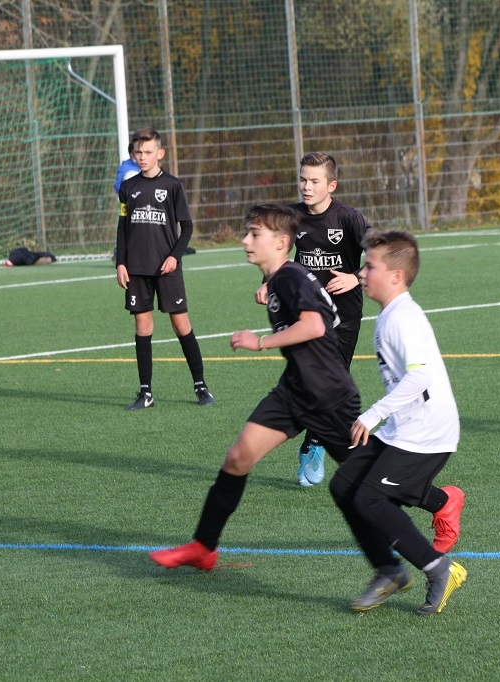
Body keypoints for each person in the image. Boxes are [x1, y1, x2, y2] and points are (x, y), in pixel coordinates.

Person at [149, 203, 361, 571]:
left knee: (370, 478)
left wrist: (259, 342)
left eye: (254, 234)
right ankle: (204, 546)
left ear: (281, 242)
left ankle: (439, 502)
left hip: (327, 395)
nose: (245, 241)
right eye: (247, 233)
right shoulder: (280, 278)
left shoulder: (291, 277)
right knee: (238, 457)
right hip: (294, 389)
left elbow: (314, 326)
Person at [330, 229, 467, 616]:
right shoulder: (391, 313)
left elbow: (420, 376)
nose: (362, 272)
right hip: (403, 429)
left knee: (369, 498)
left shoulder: (402, 318)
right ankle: (388, 570)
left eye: (370, 266)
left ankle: (439, 569)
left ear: (396, 275)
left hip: (428, 432)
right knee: (344, 485)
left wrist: (372, 414)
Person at [255, 152, 372, 487]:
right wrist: (267, 281)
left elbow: (381, 251)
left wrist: (354, 277)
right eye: (303, 179)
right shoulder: (292, 216)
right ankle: (315, 441)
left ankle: (314, 444)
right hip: (303, 315)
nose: (306, 186)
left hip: (343, 316)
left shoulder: (349, 218)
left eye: (314, 181)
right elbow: (275, 252)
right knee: (310, 381)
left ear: (331, 185)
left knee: (329, 384)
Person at [115, 127, 214, 409]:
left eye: (148, 152)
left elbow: (187, 227)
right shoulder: (128, 188)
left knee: (181, 325)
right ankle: (146, 393)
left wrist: (174, 257)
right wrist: (121, 262)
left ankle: (201, 386)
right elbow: (123, 227)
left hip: (167, 269)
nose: (142, 156)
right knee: (142, 327)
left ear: (160, 153)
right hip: (137, 269)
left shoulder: (172, 185)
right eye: (138, 152)